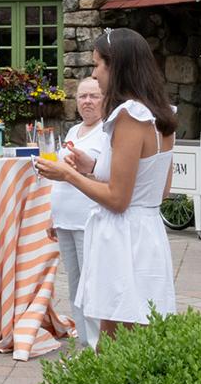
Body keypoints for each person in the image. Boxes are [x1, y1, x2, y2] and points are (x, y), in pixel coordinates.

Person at [37, 27, 176, 340]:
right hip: (148, 233)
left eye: (98, 64)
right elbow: (158, 188)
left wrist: (68, 175)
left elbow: (118, 198)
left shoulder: (129, 115)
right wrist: (93, 167)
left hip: (122, 236)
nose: (94, 74)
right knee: (142, 331)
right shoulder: (161, 115)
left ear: (118, 66)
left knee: (113, 338)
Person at [49, 75, 107, 350]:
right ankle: (84, 341)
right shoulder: (74, 132)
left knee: (91, 284)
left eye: (93, 96)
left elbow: (106, 176)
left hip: (88, 218)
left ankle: (97, 344)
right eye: (82, 96)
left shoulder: (107, 132)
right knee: (74, 283)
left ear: (104, 99)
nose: (86, 101)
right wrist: (52, 216)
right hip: (64, 219)